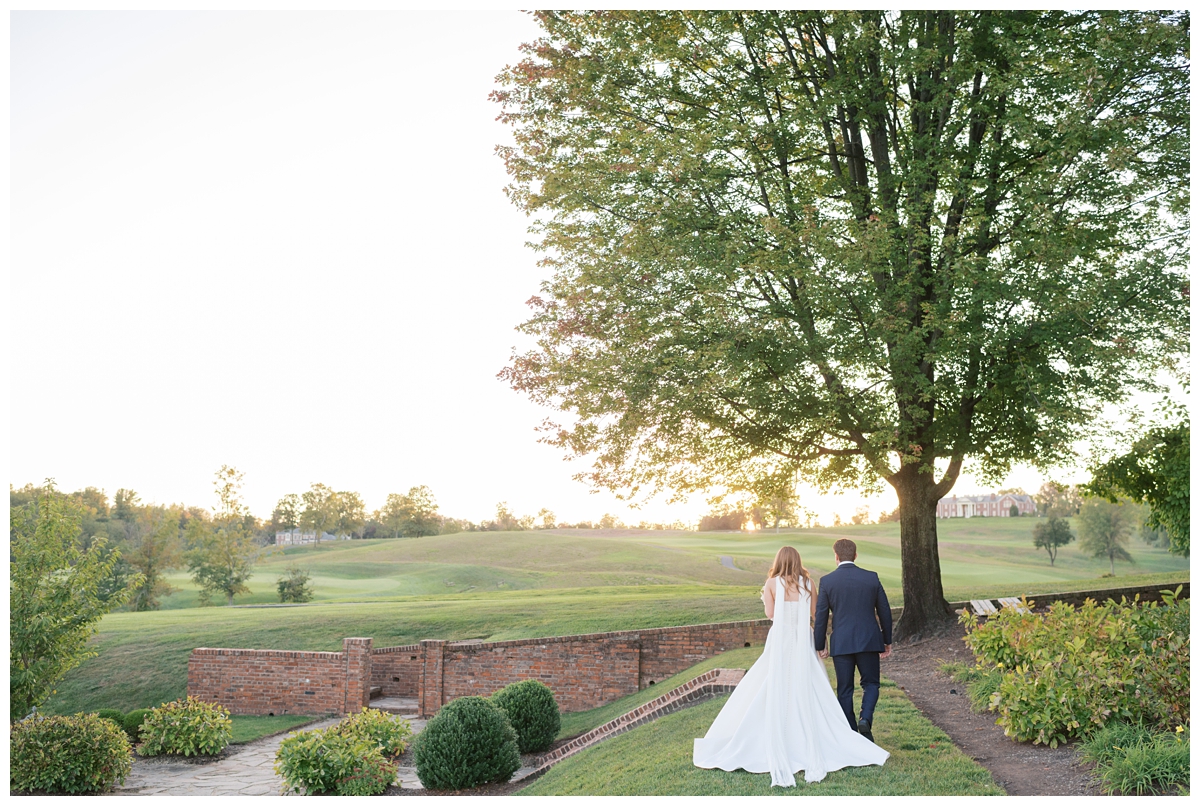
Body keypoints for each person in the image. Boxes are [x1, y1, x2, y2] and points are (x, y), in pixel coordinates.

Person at [693, 546, 888, 786]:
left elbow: (771, 613)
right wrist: (820, 642)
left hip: (781, 640)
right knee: (810, 683)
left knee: (775, 681)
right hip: (803, 638)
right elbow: (818, 615)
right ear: (798, 561)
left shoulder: (771, 584)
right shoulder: (808, 583)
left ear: (778, 561)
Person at [813, 538, 893, 742]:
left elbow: (821, 615)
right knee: (871, 684)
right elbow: (884, 610)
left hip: (841, 643)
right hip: (869, 640)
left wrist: (819, 644)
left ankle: (851, 734)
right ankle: (865, 718)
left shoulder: (827, 581)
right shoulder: (871, 578)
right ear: (855, 556)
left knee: (845, 689)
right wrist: (887, 640)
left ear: (836, 557)